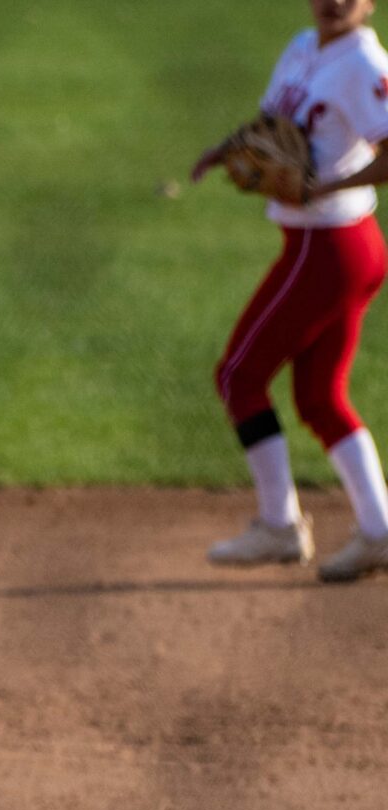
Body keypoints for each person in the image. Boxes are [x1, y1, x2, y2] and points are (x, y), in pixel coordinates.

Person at [193, 0, 388, 583]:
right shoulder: (303, 47)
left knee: (238, 376)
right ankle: (379, 532)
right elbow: (271, 125)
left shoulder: (366, 65)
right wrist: (225, 150)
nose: (334, 2)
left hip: (329, 248)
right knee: (320, 397)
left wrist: (324, 187)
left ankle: (279, 525)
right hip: (328, 248)